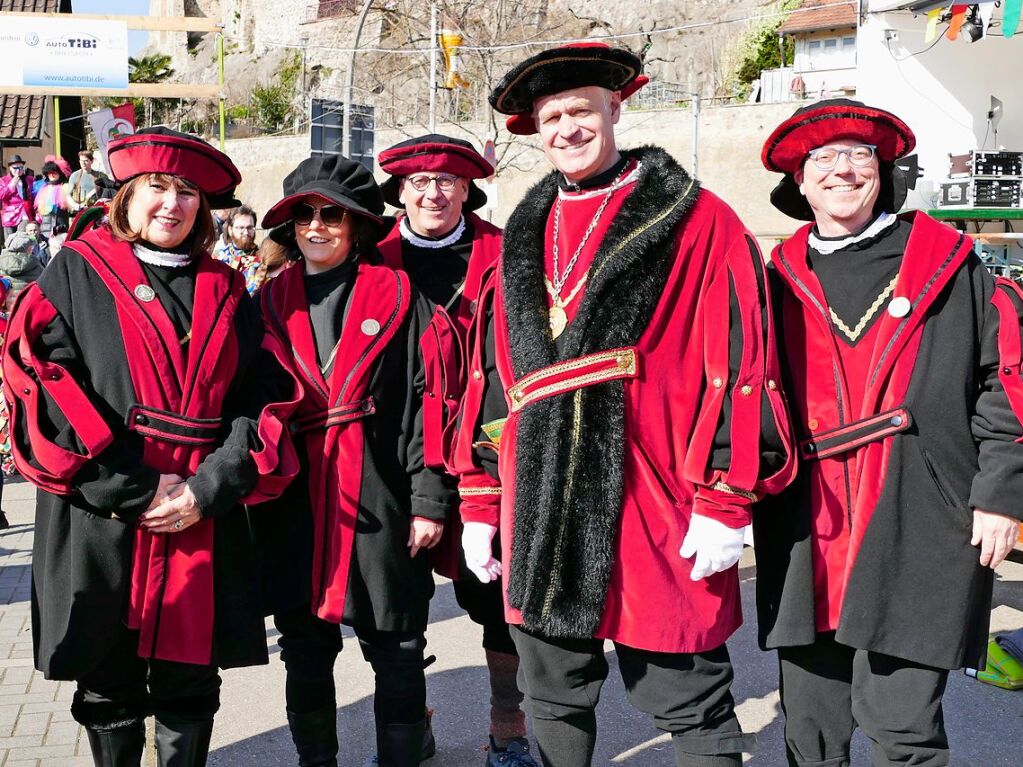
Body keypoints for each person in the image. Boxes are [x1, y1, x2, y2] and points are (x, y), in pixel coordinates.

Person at [455, 42, 795, 767]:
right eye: (550, 118)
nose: (566, 129)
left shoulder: (696, 217)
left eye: (580, 111)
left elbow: (740, 361)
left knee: (689, 695)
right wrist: (481, 497)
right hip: (539, 502)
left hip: (655, 495)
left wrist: (726, 495)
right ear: (532, 131)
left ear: (616, 108)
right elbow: (491, 376)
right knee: (551, 694)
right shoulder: (522, 228)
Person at [1, 127, 300, 767]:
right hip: (102, 505)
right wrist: (134, 488)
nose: (172, 203)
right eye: (156, 187)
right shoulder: (77, 273)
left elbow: (260, 398)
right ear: (126, 198)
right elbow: (47, 382)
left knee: (188, 680)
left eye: (187, 191)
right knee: (108, 679)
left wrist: (209, 486)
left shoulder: (227, 287)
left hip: (199, 509)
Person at [754, 98, 1023, 767]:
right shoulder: (773, 278)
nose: (841, 170)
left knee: (903, 728)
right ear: (798, 180)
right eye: (822, 158)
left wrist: (1000, 492)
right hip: (806, 520)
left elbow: (1007, 378)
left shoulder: (950, 263)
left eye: (858, 155)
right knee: (810, 728)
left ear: (882, 171)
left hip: (920, 509)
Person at [252, 154, 453, 767]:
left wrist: (429, 501)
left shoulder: (398, 296)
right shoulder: (266, 302)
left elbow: (428, 402)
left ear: (358, 225)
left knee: (396, 646)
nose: (317, 227)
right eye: (305, 215)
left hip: (382, 496)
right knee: (305, 650)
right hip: (295, 504)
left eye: (332, 215)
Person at [376, 134, 538, 766]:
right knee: (399, 602)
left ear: (469, 189)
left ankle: (508, 730)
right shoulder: (373, 259)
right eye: (419, 182)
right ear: (400, 191)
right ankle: (408, 726)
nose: (433, 192)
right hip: (398, 454)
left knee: (499, 601)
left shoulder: (507, 254)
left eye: (447, 181)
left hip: (488, 448)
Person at [213, 205, 262, 293]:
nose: (246, 232)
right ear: (230, 230)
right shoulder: (219, 256)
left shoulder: (261, 257)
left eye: (250, 227)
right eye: (241, 228)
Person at [33, 159, 71, 239]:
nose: (52, 175)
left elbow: (70, 202)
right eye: (50, 173)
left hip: (60, 223)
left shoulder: (64, 187)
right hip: (45, 225)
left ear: (60, 174)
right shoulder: (43, 189)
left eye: (54, 173)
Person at [1, 155, 37, 238]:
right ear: (10, 168)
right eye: (15, 168)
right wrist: (11, 186)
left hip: (25, 214)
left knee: (22, 239)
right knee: (10, 242)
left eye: (21, 168)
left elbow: (34, 195)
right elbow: (1, 196)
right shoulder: (3, 180)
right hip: (9, 216)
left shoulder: (29, 179)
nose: (18, 170)